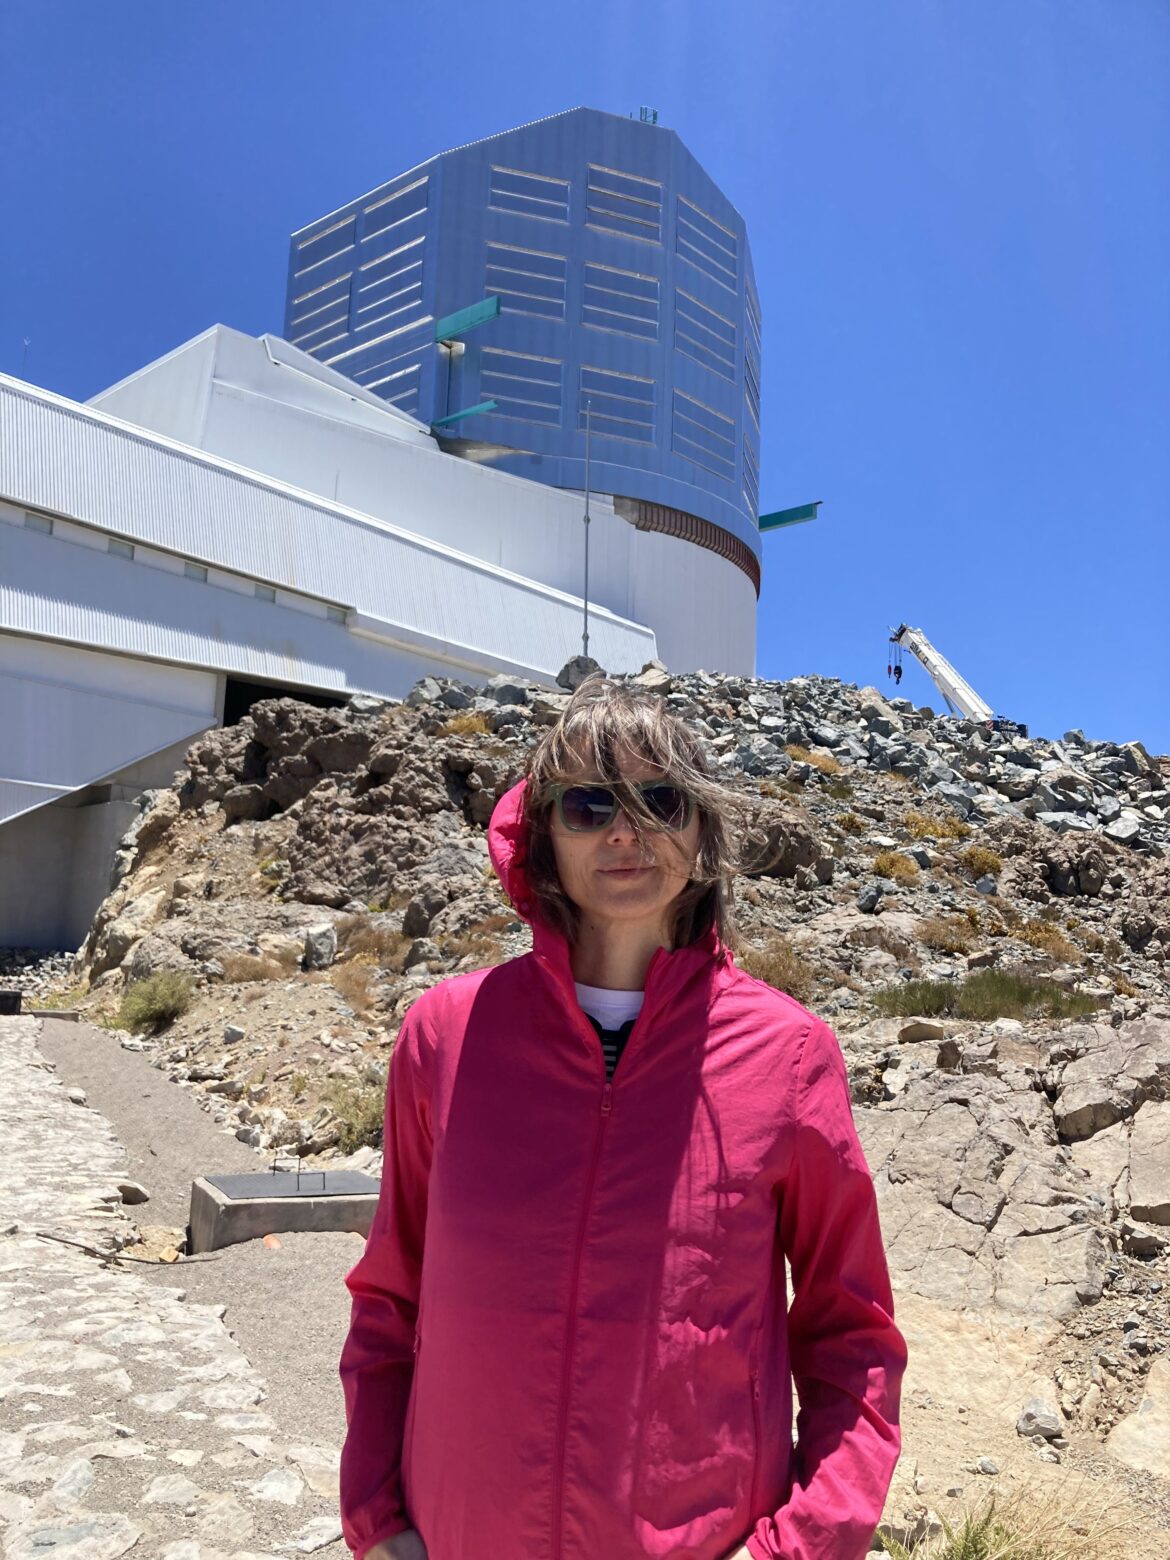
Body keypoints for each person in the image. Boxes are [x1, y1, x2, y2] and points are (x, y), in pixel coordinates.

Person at [339, 677, 907, 1560]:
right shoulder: (446, 1033)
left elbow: (853, 1335)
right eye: (589, 805)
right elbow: (389, 1299)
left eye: (659, 800)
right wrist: (377, 1521)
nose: (624, 830)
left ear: (702, 827)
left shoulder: (791, 1054)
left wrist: (801, 1545)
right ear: (542, 835)